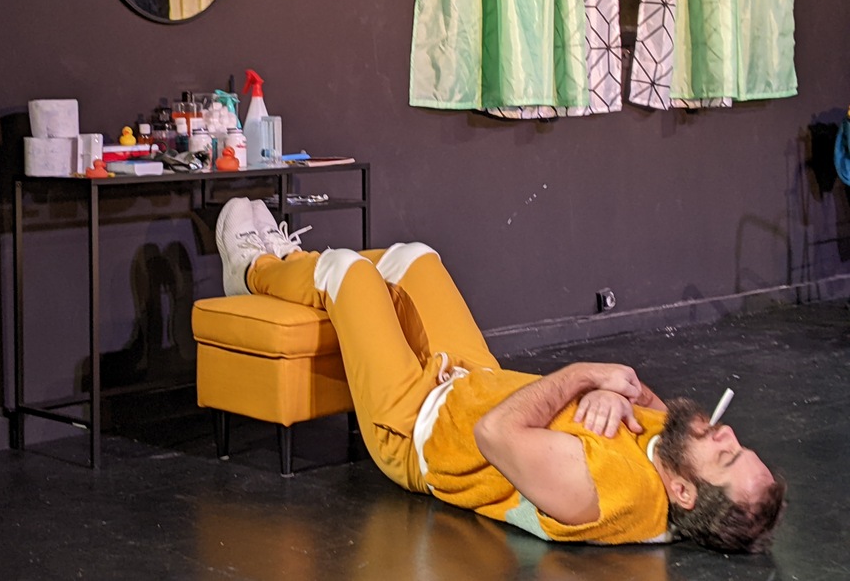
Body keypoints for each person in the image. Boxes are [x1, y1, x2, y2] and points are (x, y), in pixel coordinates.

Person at [215, 197, 787, 552]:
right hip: (470, 381)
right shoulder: (675, 455)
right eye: (740, 445)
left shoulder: (611, 492)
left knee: (348, 271)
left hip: (415, 428)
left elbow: (494, 434)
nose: (728, 435)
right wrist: (614, 395)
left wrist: (584, 375)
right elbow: (647, 403)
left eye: (726, 456)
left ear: (683, 493)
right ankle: (291, 263)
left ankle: (255, 267)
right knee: (414, 256)